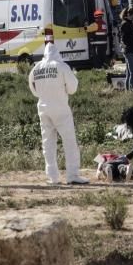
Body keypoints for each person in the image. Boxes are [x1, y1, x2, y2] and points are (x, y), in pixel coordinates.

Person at [28, 41, 88, 185]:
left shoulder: (36, 68)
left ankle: (53, 177)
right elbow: (73, 88)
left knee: (48, 143)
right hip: (61, 108)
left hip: (43, 108)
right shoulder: (62, 67)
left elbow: (33, 90)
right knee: (69, 142)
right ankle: (72, 175)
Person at [119, 7, 133, 90]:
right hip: (130, 50)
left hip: (128, 50)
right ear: (131, 15)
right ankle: (131, 90)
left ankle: (128, 91)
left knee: (129, 73)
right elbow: (125, 39)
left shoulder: (126, 23)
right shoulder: (126, 24)